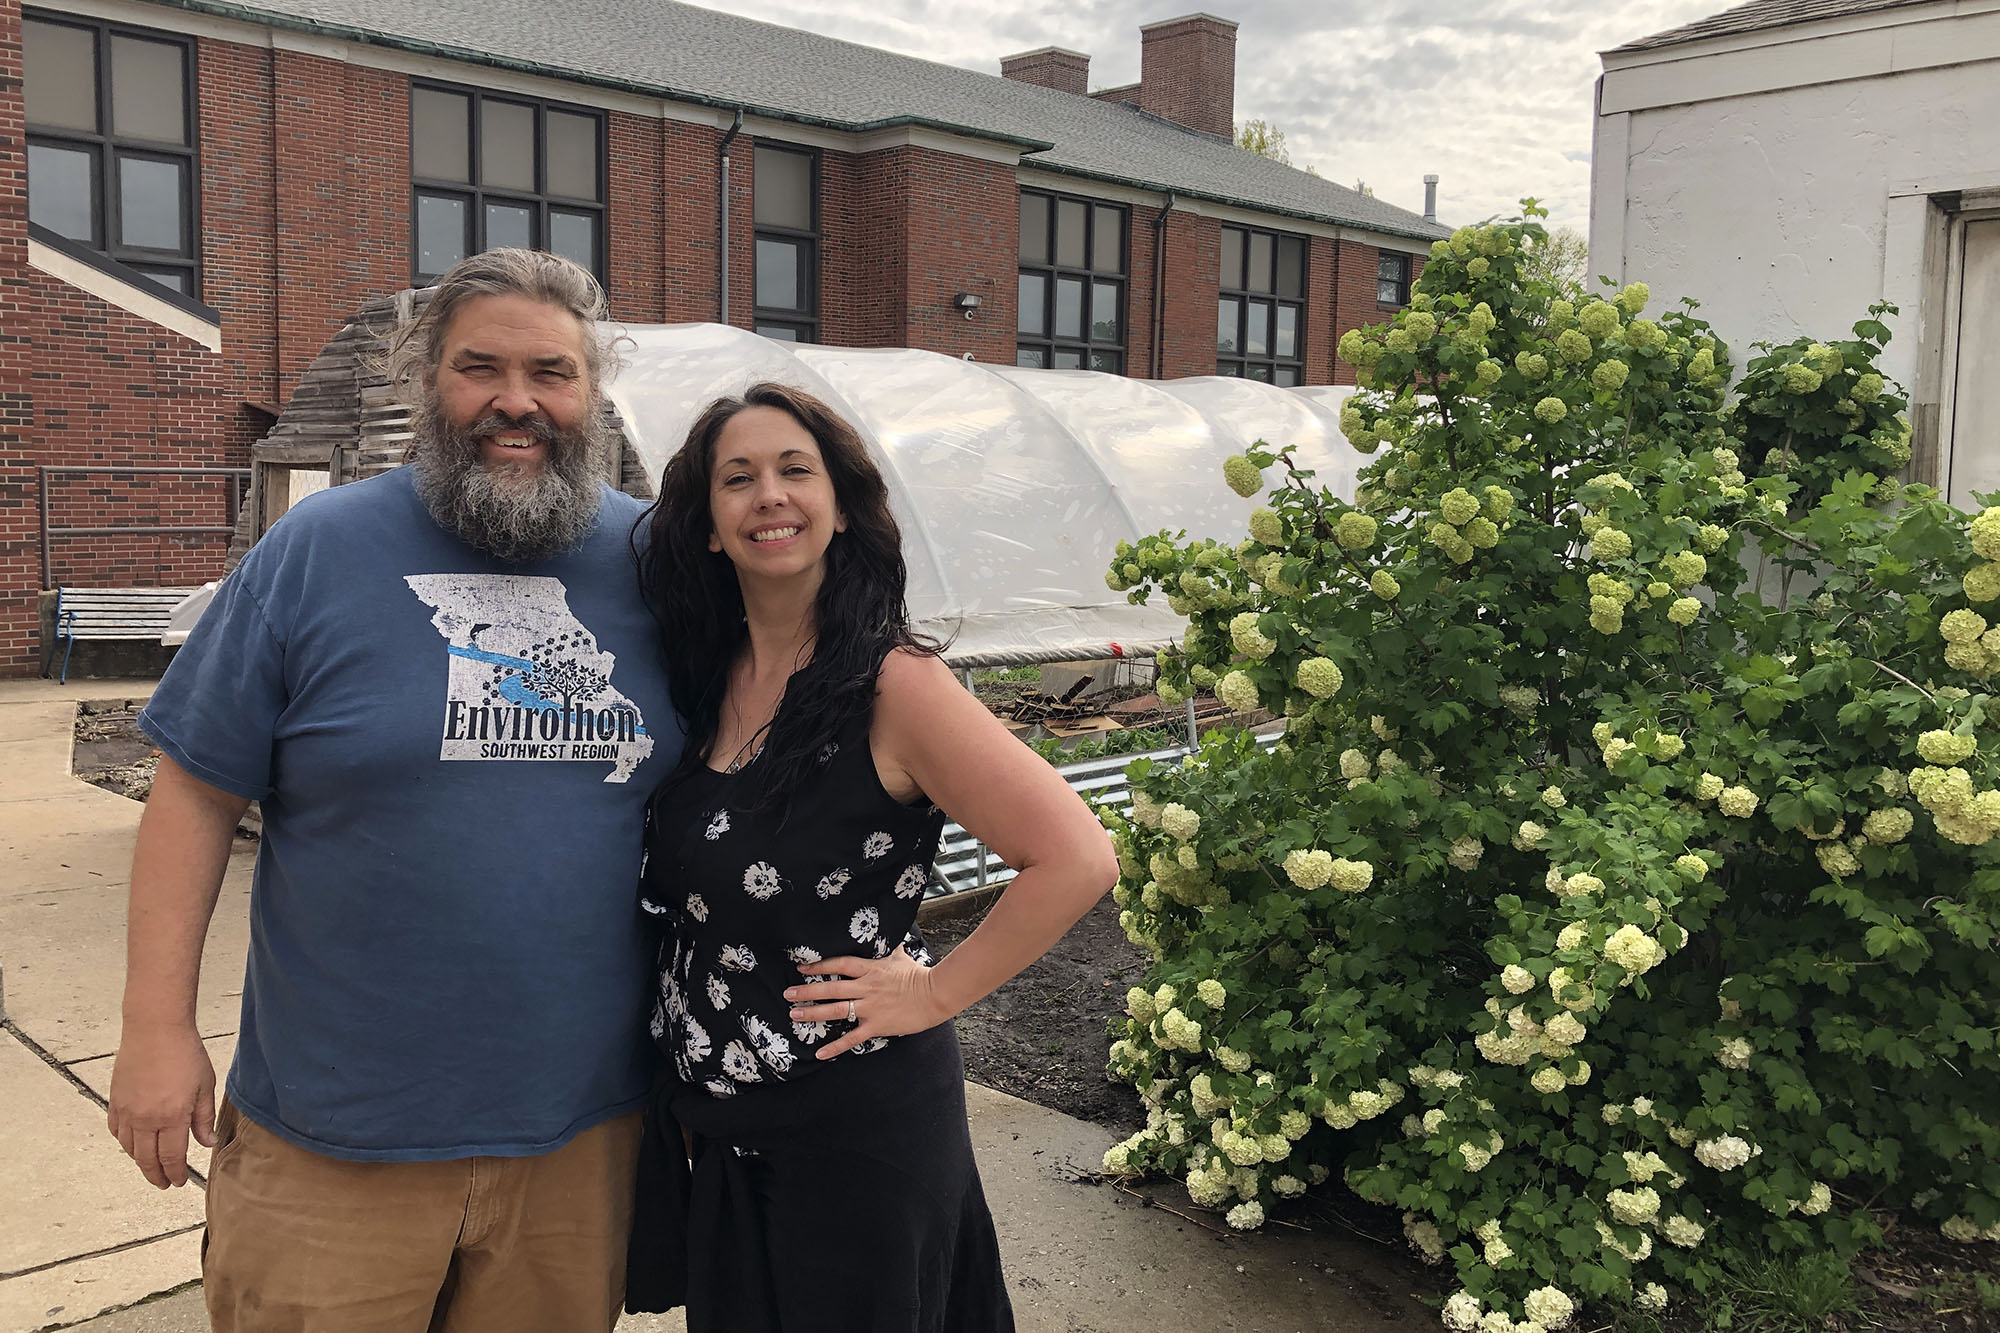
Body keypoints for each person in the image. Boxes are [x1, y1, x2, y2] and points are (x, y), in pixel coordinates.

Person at [105, 249, 677, 1332]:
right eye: (480, 369)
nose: (517, 402)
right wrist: (153, 1027)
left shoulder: (657, 565)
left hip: (578, 1139)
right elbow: (193, 790)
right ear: (428, 383)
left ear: (592, 393)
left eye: (551, 372)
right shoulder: (314, 550)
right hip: (333, 1141)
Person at [627, 382, 1119, 1330]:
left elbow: (1077, 855)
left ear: (841, 508)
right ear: (712, 527)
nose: (768, 494)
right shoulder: (706, 676)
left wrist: (934, 993)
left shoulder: (894, 684)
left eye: (794, 470)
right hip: (728, 1129)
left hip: (853, 1130)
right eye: (739, 479)